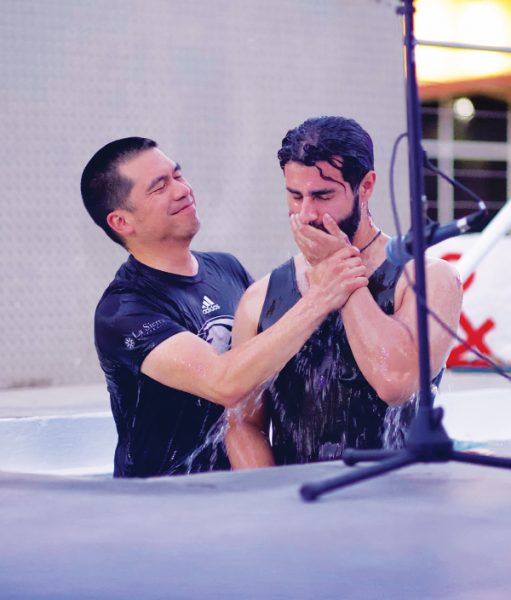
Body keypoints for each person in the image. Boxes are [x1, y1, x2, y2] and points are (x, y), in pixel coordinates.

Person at [81, 136, 367, 477]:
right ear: (121, 222)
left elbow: (275, 353)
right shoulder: (124, 311)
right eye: (159, 188)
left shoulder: (226, 269)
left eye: (177, 175)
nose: (182, 189)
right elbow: (224, 382)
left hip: (241, 488)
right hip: (162, 504)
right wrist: (321, 297)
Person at [225, 116, 462, 468]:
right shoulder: (259, 298)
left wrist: (340, 269)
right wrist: (272, 498)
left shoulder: (429, 278)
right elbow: (243, 423)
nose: (306, 214)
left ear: (365, 186)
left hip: (403, 499)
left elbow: (395, 382)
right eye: (295, 196)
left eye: (323, 195)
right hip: (300, 500)